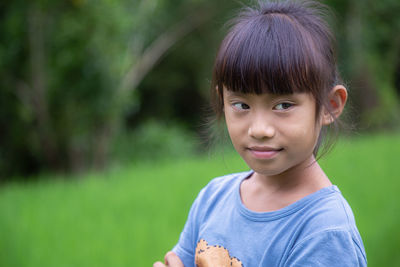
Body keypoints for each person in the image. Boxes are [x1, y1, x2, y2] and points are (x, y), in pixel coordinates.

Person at [154, 0, 367, 266]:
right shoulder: (212, 199)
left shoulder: (325, 232)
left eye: (283, 105)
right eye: (241, 105)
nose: (260, 130)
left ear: (329, 106)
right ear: (223, 102)